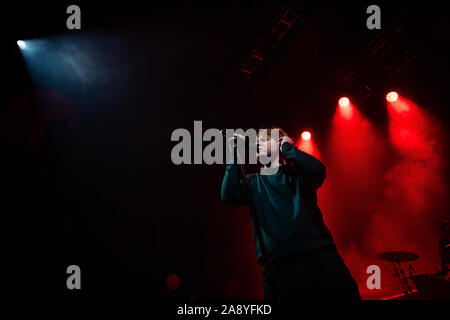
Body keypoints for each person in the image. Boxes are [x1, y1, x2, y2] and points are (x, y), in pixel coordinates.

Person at [221, 127, 361, 300]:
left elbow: (317, 170)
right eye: (257, 143)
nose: (258, 145)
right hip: (279, 272)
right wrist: (233, 155)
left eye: (264, 141)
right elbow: (229, 195)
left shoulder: (297, 175)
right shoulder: (253, 183)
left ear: (280, 142)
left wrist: (288, 148)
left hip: (320, 261)